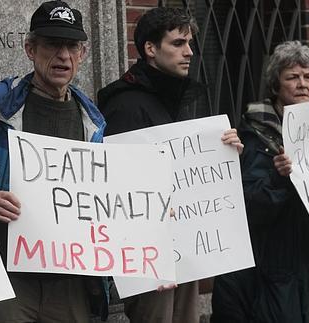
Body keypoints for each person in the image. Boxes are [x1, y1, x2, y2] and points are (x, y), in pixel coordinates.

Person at [0, 1, 108, 322]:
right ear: (30, 49)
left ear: (83, 54)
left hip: (70, 282)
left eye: (72, 46)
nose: (63, 55)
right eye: (52, 44)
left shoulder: (92, 120)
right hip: (5, 276)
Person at [98, 7, 243, 323]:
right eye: (178, 43)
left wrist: (225, 150)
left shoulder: (174, 97)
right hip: (149, 258)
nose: (189, 52)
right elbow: (118, 189)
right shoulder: (126, 104)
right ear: (150, 49)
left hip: (184, 248)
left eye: (190, 43)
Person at [210, 40, 309, 323]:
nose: (302, 84)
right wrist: (280, 177)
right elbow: (251, 203)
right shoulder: (255, 138)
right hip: (273, 267)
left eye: (308, 77)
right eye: (292, 77)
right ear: (275, 85)